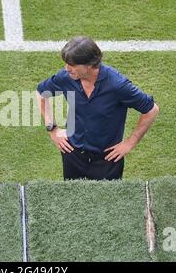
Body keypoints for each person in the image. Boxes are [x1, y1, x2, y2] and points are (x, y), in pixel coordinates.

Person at [36, 37, 159, 180]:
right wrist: (52, 129)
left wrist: (130, 143)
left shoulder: (117, 85)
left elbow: (151, 110)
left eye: (72, 64)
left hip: (107, 159)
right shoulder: (67, 77)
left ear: (89, 65)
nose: (67, 68)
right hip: (72, 154)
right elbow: (41, 93)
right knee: (72, 198)